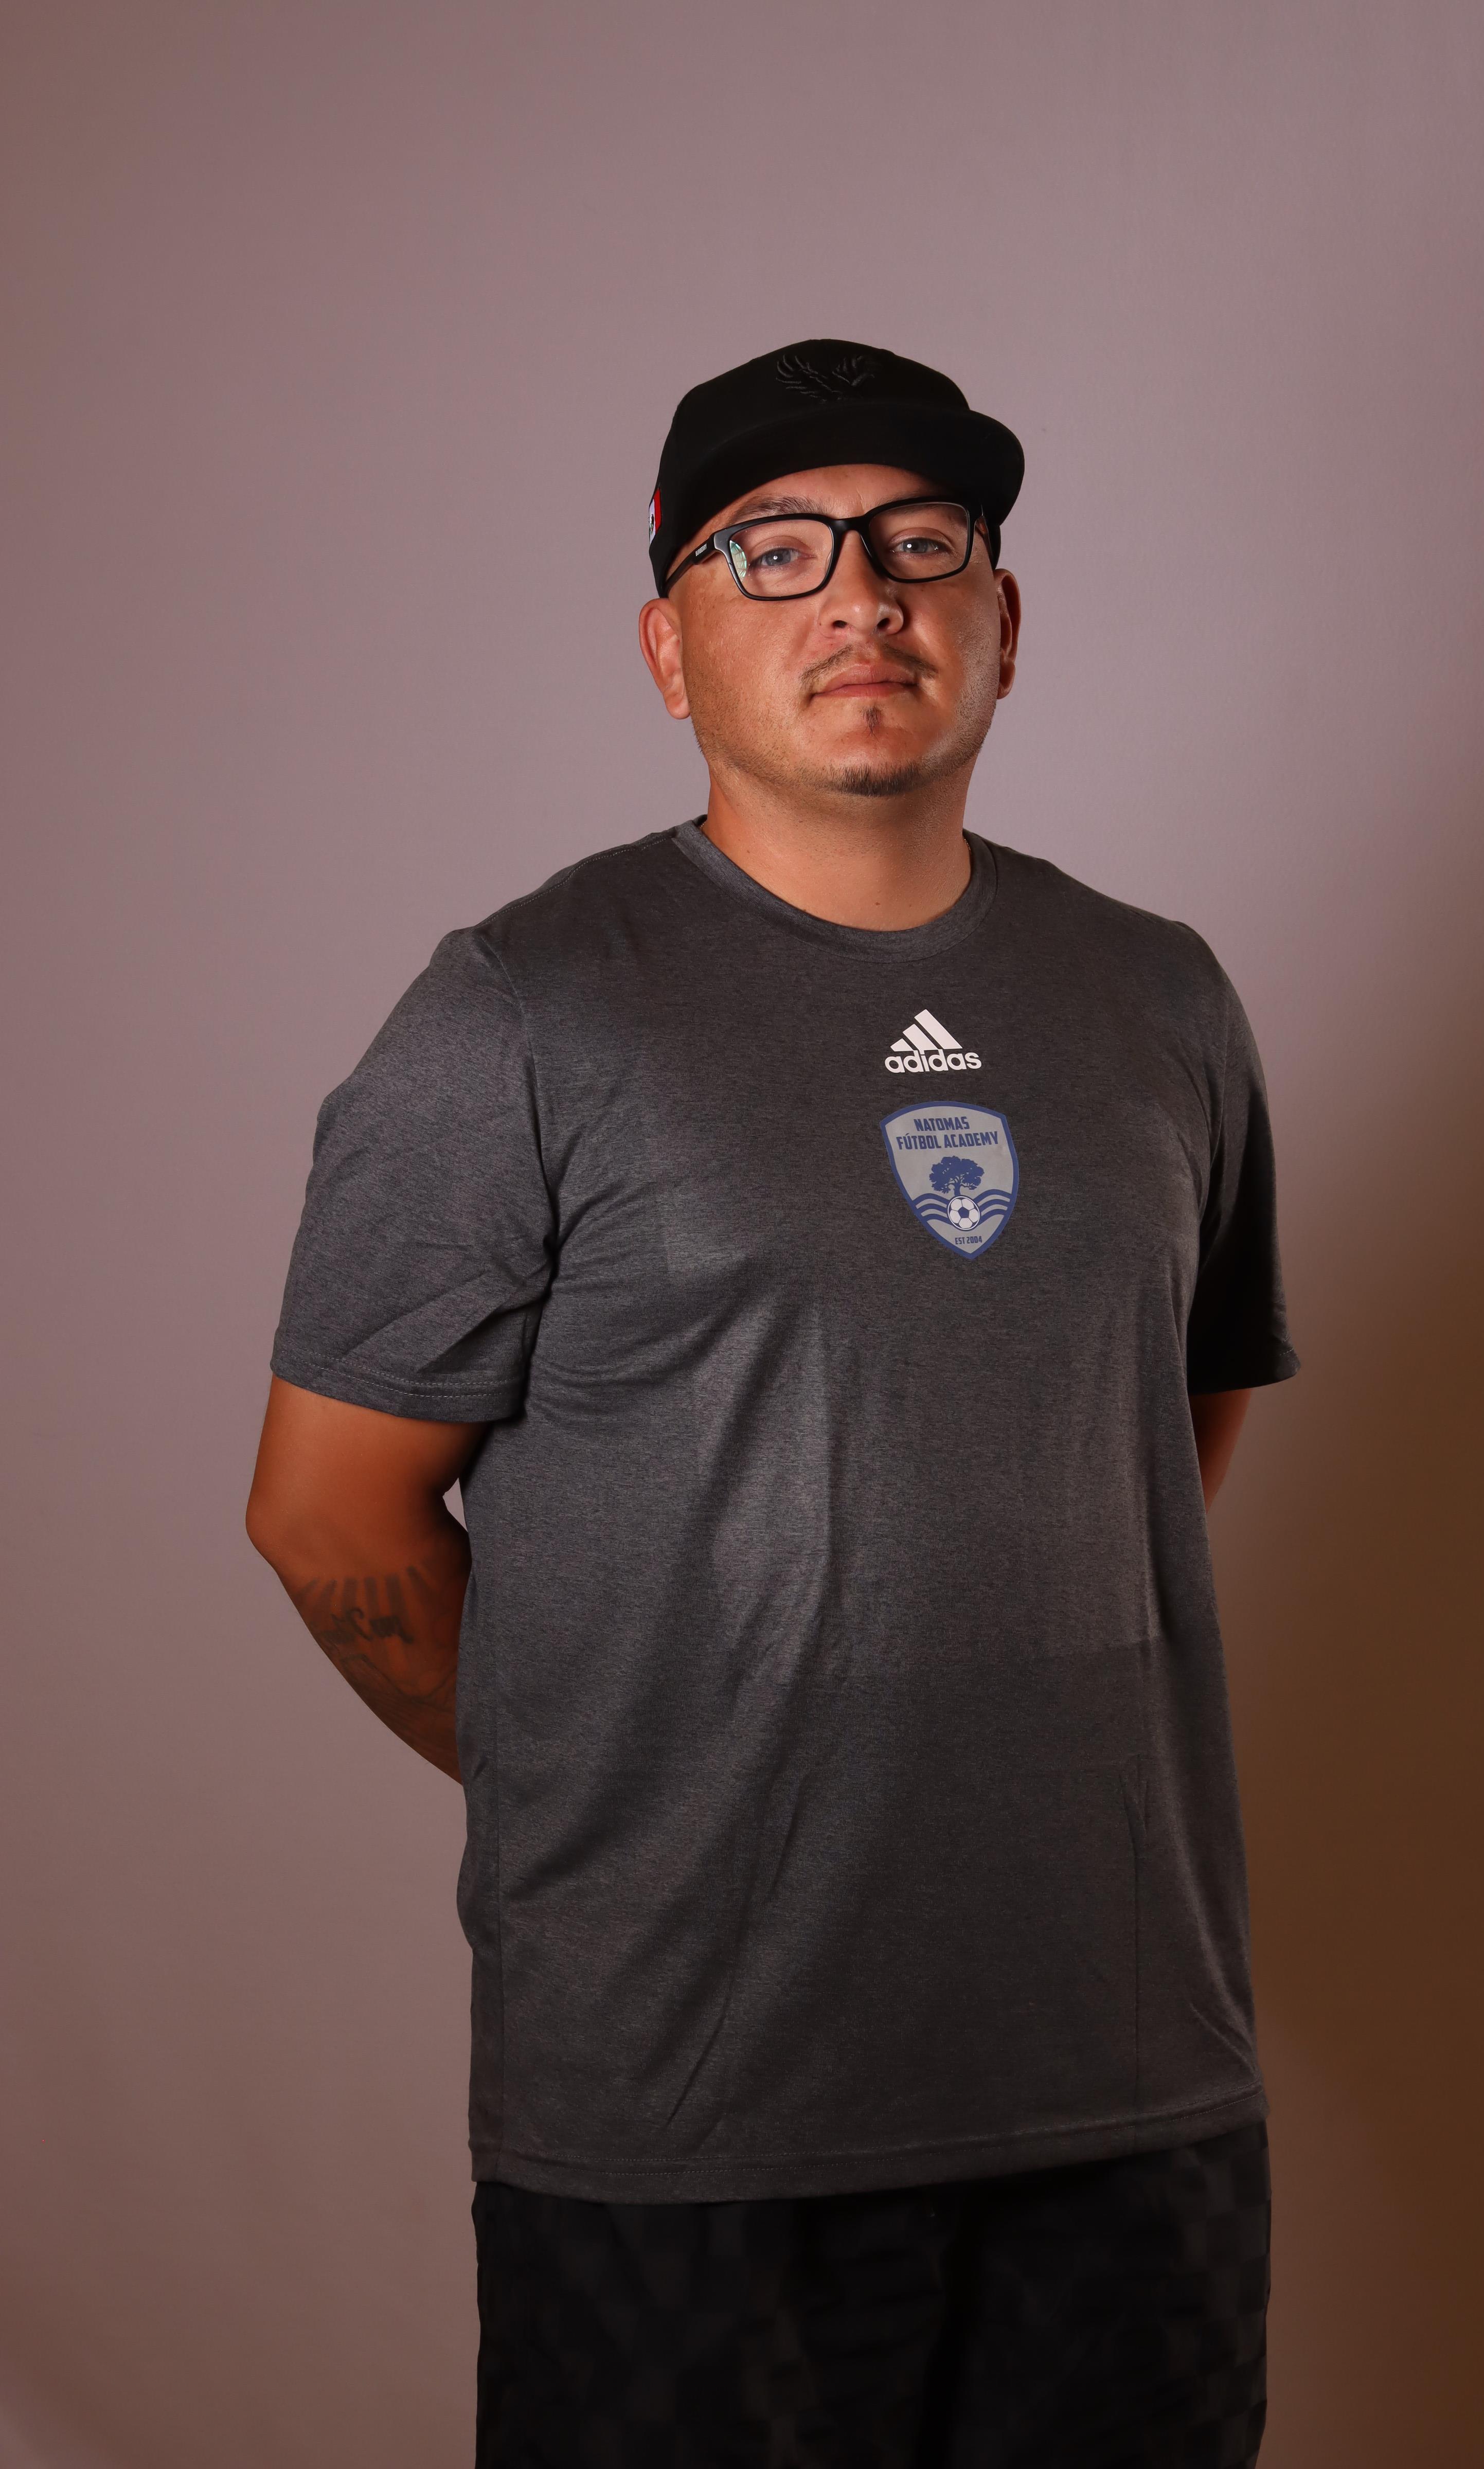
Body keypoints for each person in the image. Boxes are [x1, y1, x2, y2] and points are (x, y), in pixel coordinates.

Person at [247, 338, 1297, 2466]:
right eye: (777, 550)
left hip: (1123, 2074)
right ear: (670, 644)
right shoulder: (521, 1011)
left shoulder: (1159, 997)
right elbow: (327, 1511)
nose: (863, 597)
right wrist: (610, 1777)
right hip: (689, 2102)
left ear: (1003, 617)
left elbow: (1156, 1427)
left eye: (923, 545)